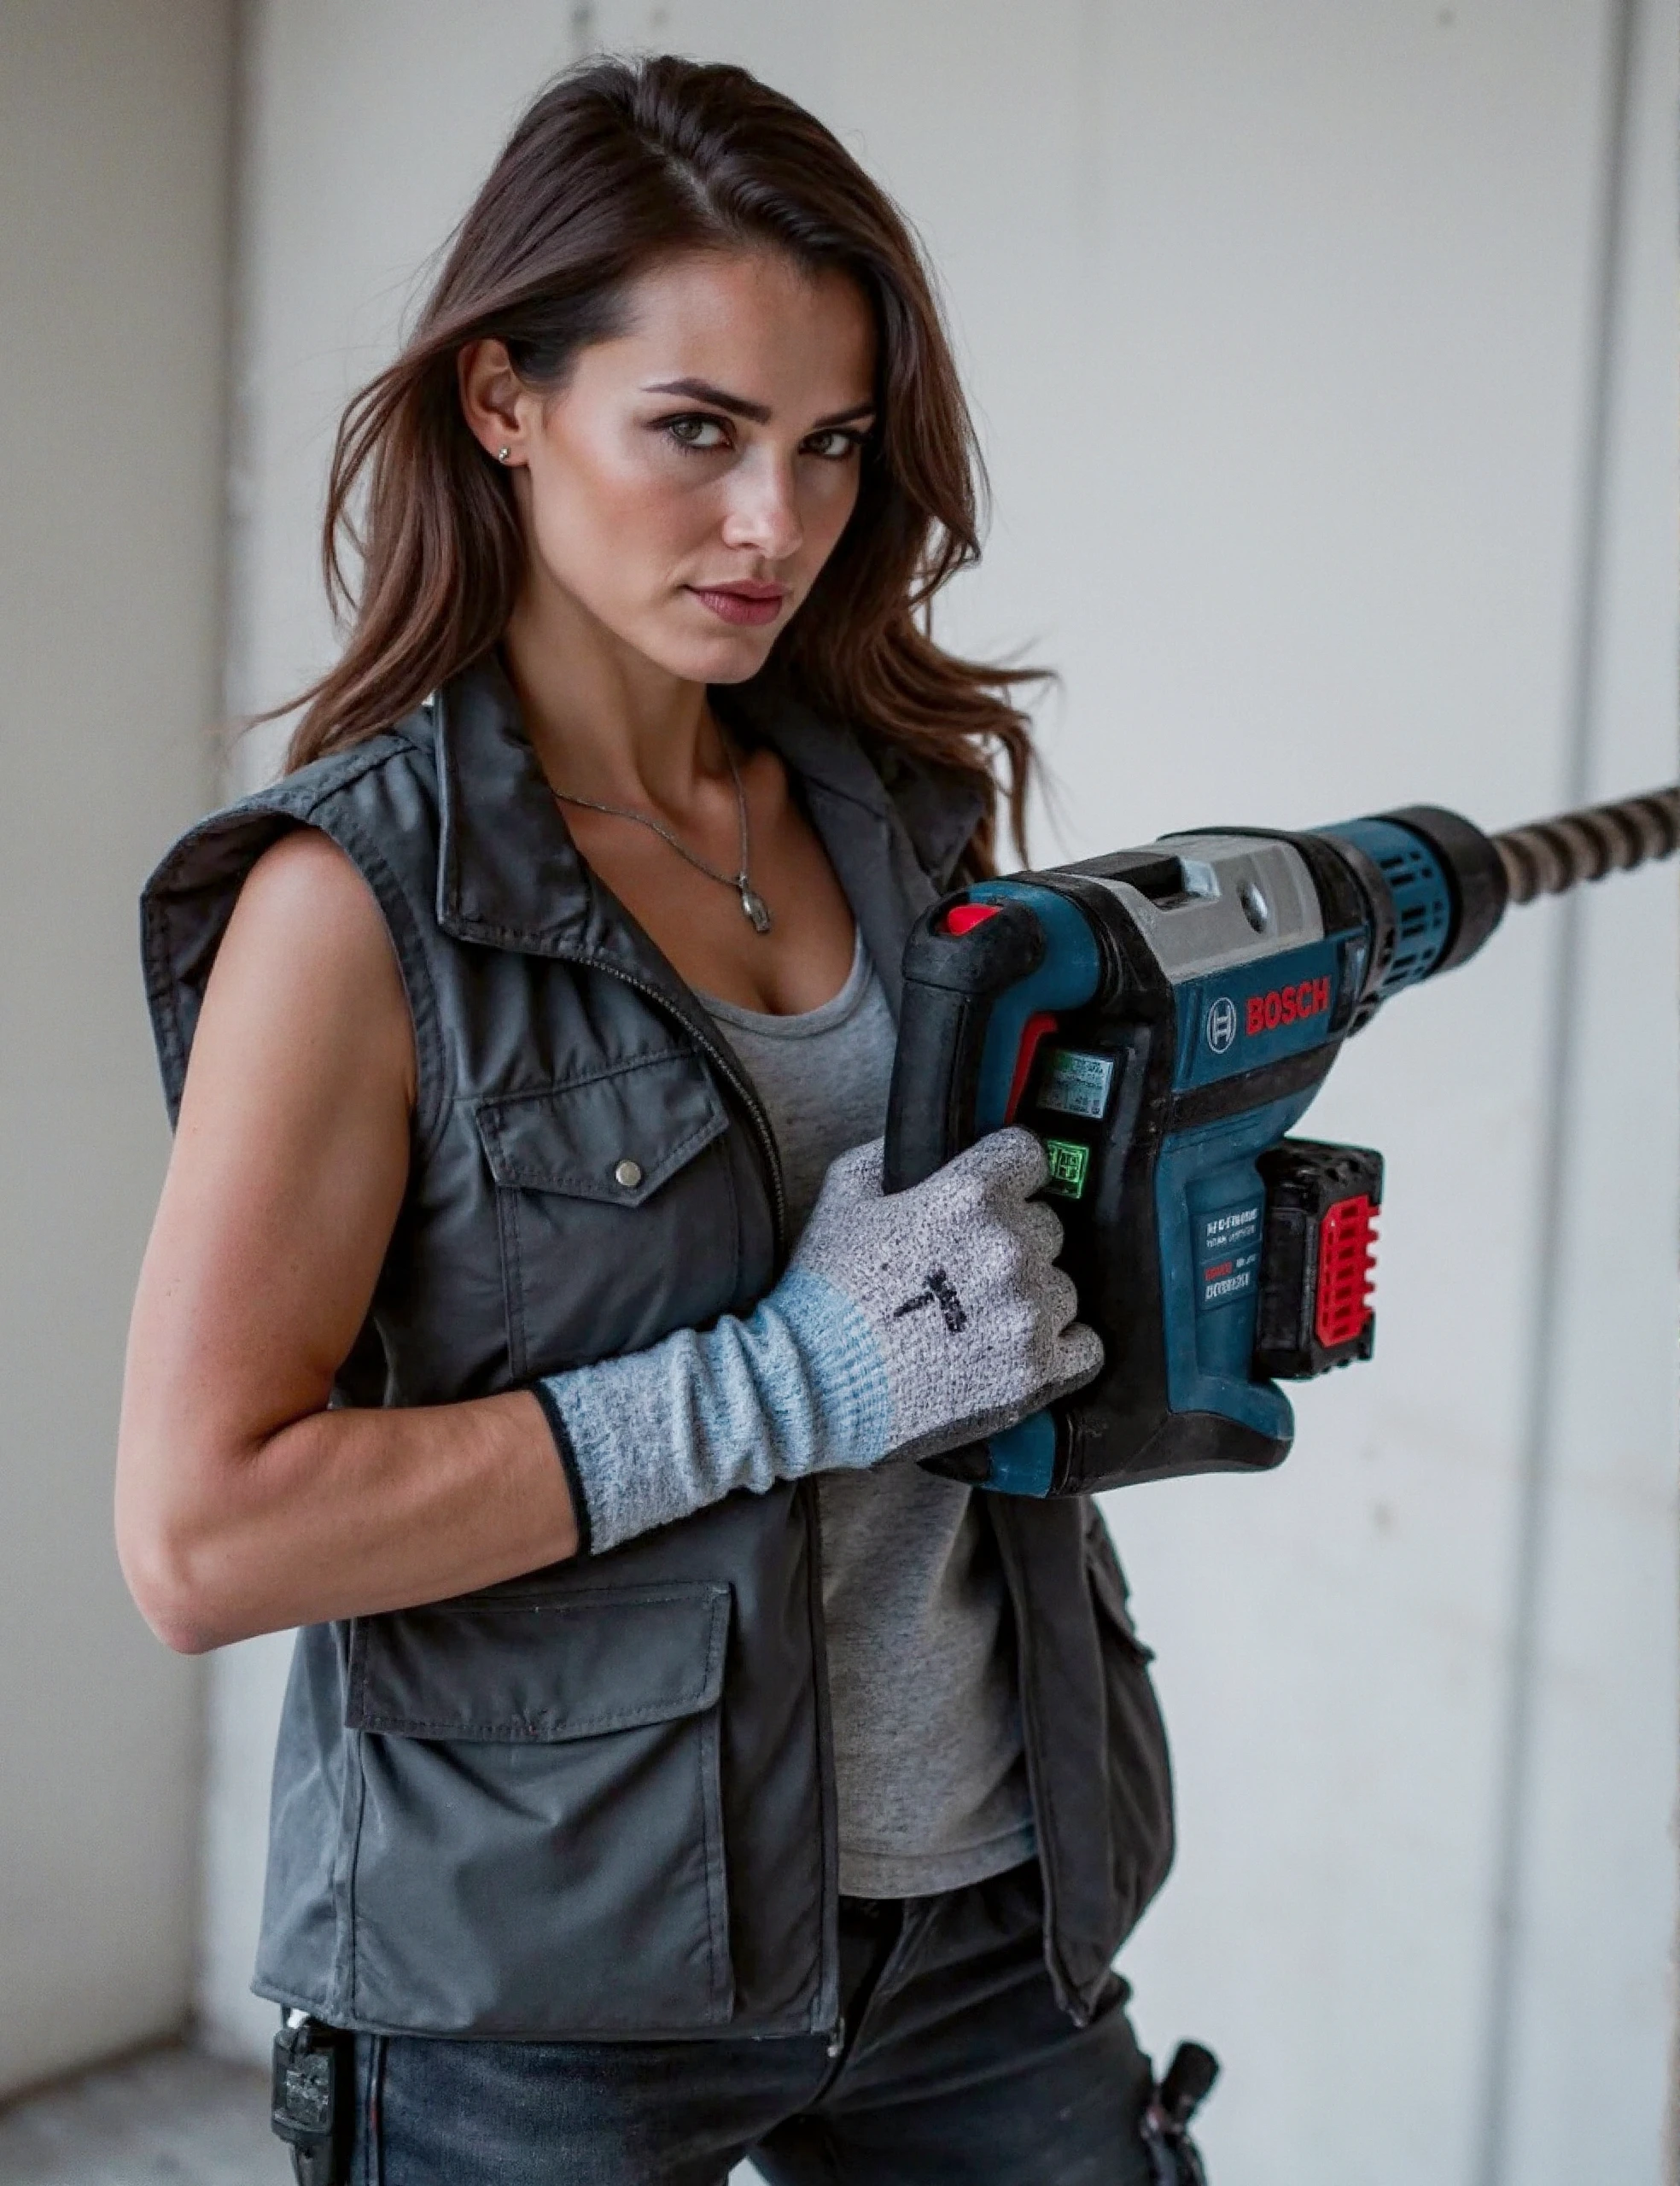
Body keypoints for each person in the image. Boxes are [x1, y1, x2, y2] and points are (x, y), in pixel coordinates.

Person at [117, 55, 1178, 2186]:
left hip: (987, 1902)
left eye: (831, 447)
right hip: (554, 1983)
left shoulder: (902, 820)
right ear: (506, 401)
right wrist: (793, 1374)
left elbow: (970, 1340)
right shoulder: (353, 910)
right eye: (694, 431)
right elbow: (206, 1533)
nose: (774, 524)